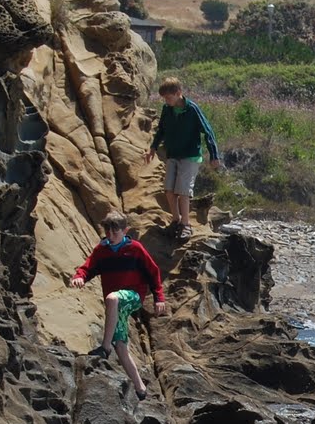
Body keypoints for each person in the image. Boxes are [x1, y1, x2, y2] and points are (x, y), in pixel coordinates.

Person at [70, 211, 167, 399]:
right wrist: (79, 278)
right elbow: (88, 268)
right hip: (115, 304)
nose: (111, 236)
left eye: (115, 232)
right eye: (108, 231)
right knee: (121, 346)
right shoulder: (102, 250)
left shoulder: (135, 249)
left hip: (133, 296)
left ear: (125, 231)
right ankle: (141, 390)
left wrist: (159, 297)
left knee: (113, 298)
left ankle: (104, 348)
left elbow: (153, 272)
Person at [145, 77, 221, 239]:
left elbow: (208, 131)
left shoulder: (192, 109)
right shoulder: (167, 109)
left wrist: (214, 154)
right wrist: (152, 148)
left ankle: (186, 225)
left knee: (184, 191)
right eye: (164, 98)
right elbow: (161, 130)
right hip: (173, 154)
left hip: (190, 156)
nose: (166, 100)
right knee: (169, 190)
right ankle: (176, 220)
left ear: (179, 93)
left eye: (169, 97)